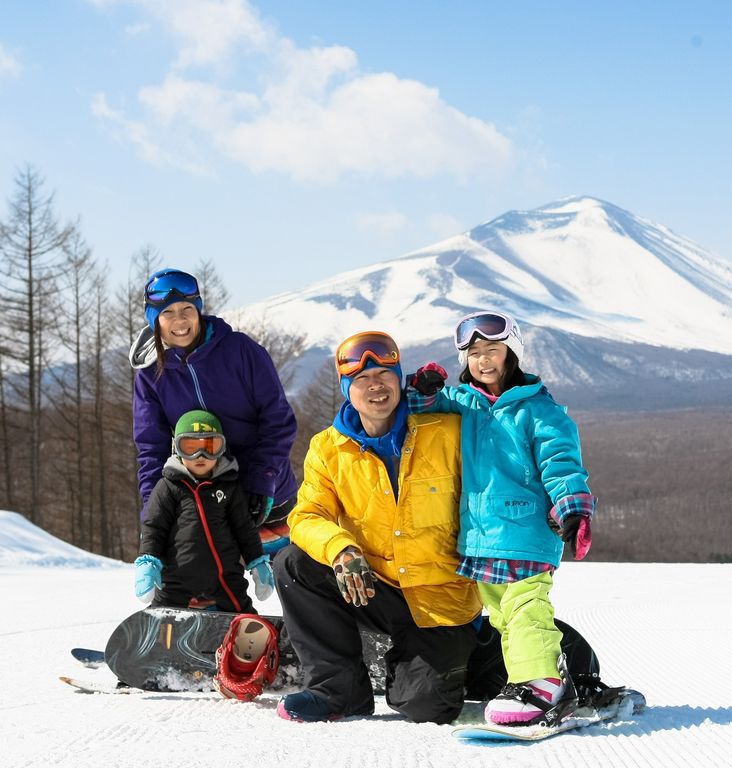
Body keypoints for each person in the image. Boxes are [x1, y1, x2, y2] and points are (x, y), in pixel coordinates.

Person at [272, 331, 481, 724]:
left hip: (439, 599)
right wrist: (340, 548)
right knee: (293, 563)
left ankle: (490, 650)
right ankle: (338, 691)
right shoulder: (328, 448)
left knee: (423, 705)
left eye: (384, 374)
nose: (375, 385)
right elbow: (306, 515)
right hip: (373, 584)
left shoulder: (445, 431)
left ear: (400, 379)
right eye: (362, 378)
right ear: (346, 389)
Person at [405, 310, 596, 726]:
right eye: (474, 354)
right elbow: (421, 406)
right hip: (480, 535)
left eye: (492, 350)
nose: (484, 360)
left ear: (512, 353)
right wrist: (424, 384)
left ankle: (541, 681)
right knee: (504, 616)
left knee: (527, 605)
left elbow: (562, 464)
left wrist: (573, 508)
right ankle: (527, 680)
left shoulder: (539, 410)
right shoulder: (466, 402)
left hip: (527, 530)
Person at [130, 268, 299, 555]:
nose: (180, 320)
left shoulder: (241, 351)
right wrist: (153, 511)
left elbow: (278, 420)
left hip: (265, 492)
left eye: (187, 309)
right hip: (203, 499)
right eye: (167, 312)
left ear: (199, 311)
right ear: (154, 319)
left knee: (284, 576)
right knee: (209, 586)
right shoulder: (150, 373)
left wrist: (262, 478)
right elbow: (151, 447)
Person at [134, 409, 275, 613]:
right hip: (176, 576)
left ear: (222, 448)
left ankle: (251, 640)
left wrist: (257, 561)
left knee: (240, 612)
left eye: (210, 446)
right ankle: (155, 640)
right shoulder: (168, 486)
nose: (200, 455)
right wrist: (148, 560)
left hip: (224, 577)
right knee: (163, 615)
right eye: (190, 447)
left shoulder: (230, 486)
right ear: (177, 448)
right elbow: (153, 527)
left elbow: (245, 529)